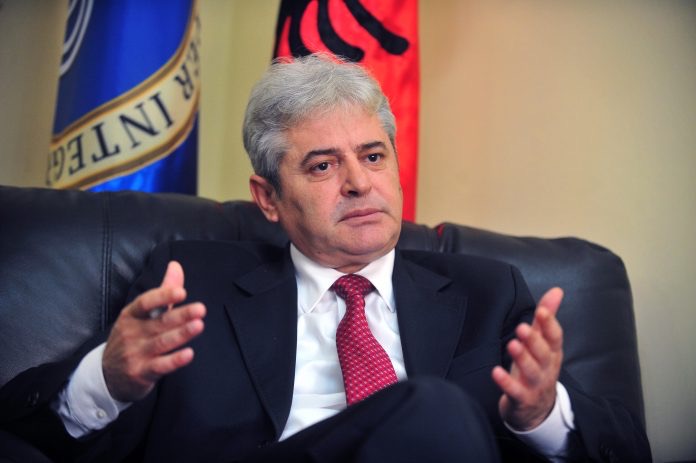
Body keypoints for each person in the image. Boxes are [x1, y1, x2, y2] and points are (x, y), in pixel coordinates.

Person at [0, 54, 649, 462]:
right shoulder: (191, 282)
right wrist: (108, 379)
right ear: (268, 197)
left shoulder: (490, 292)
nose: (360, 183)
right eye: (322, 165)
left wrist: (541, 416)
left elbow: (625, 446)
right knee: (432, 407)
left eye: (373, 155)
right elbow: (26, 430)